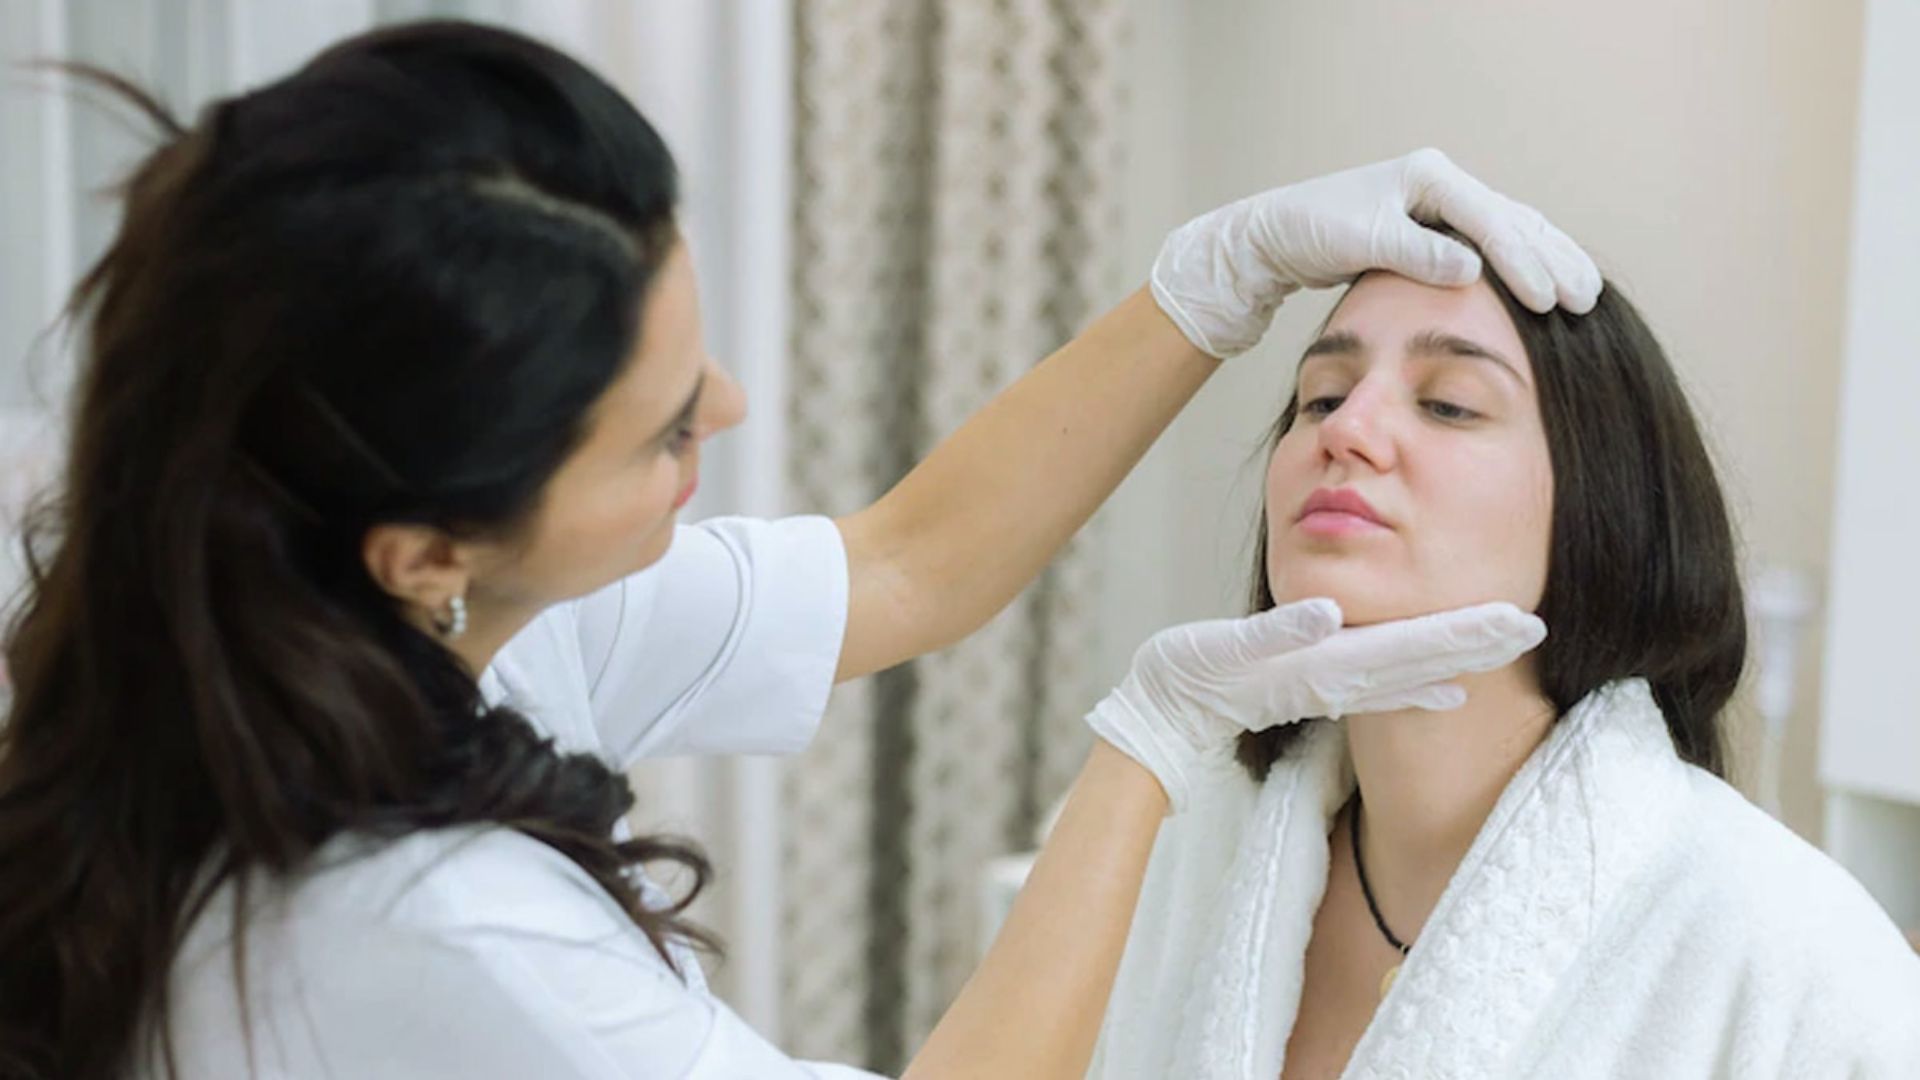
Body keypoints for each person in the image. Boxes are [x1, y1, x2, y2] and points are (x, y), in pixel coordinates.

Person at [0, 21, 1596, 1080]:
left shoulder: (318, 595)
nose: (735, 410)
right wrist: (1151, 742)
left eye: (1452, 404)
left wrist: (1212, 283)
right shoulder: (430, 936)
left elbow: (907, 565)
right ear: (428, 544)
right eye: (667, 430)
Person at [1086, 252, 1920, 1079]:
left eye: (1448, 404)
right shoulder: (1186, 848)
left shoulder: (1789, 950)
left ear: (1604, 505)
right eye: (1322, 398)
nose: (1344, 430)